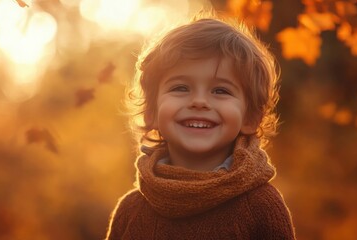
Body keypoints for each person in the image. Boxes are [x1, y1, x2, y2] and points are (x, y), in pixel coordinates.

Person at [106, 13, 296, 239]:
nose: (199, 101)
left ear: (249, 118)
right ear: (151, 112)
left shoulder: (260, 207)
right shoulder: (131, 210)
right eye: (181, 88)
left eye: (220, 90)